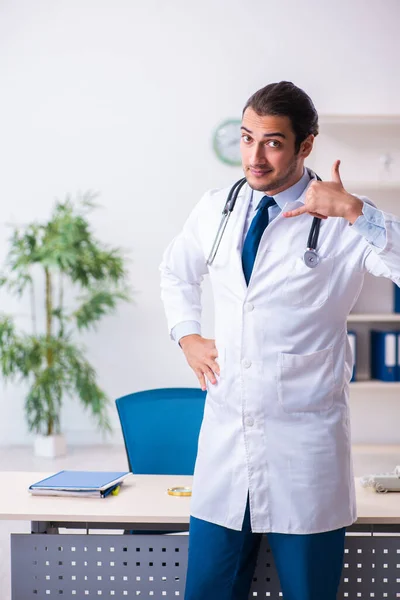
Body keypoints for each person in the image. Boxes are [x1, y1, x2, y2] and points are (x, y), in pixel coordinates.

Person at [159, 81, 400, 600]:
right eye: (247, 139)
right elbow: (175, 273)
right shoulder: (217, 206)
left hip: (303, 453)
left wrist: (357, 211)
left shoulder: (344, 221)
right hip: (227, 446)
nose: (255, 157)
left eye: (272, 142)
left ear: (305, 145)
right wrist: (187, 336)